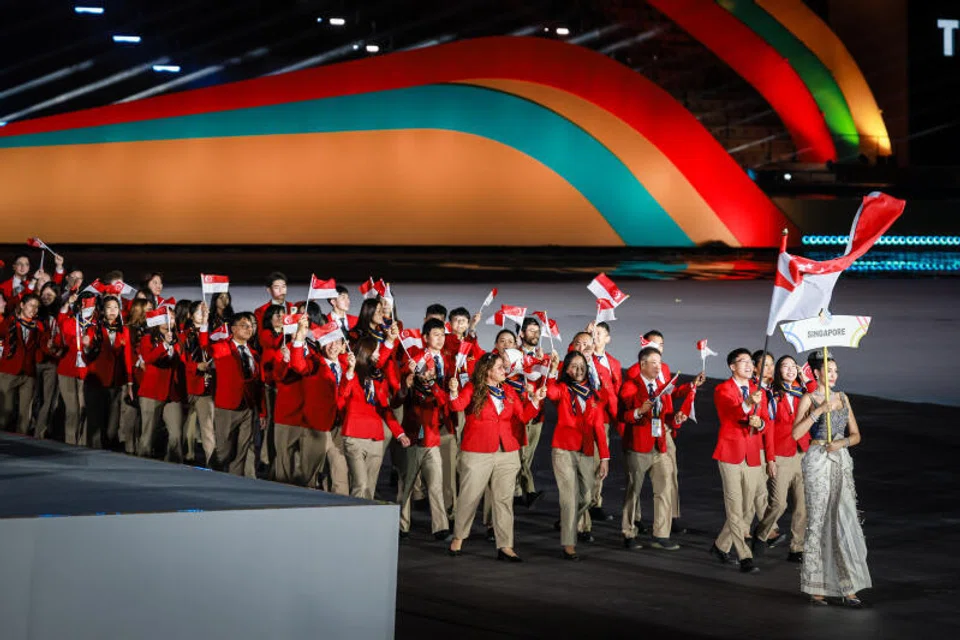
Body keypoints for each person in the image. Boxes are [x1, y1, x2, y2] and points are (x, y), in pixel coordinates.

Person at [447, 352, 545, 562]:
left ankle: (505, 545)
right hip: (477, 451)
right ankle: (458, 537)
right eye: (500, 367)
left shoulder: (508, 390)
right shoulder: (472, 388)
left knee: (503, 500)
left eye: (504, 367)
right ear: (487, 371)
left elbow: (524, 415)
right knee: (469, 497)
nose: (504, 370)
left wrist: (535, 401)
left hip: (507, 452)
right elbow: (457, 406)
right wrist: (454, 392)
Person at [792, 353, 870, 607]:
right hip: (817, 460)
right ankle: (817, 587)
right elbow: (796, 434)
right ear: (816, 374)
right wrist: (819, 411)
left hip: (840, 460)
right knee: (819, 520)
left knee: (844, 519)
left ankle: (849, 587)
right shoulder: (809, 398)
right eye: (828, 370)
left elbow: (856, 435)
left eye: (836, 369)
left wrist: (842, 442)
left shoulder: (843, 398)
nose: (834, 374)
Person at [709, 348, 775, 574]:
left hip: (753, 454)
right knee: (735, 507)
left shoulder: (760, 392)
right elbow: (730, 413)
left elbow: (766, 421)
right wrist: (748, 402)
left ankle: (720, 546)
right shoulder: (722, 389)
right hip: (730, 454)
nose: (749, 365)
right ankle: (745, 556)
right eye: (743, 361)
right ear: (732, 366)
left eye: (750, 362)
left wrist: (761, 424)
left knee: (748, 508)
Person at [619, 347, 687, 551]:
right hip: (638, 447)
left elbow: (666, 414)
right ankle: (628, 532)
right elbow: (626, 414)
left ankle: (661, 534)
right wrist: (640, 410)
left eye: (660, 362)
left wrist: (675, 420)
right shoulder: (631, 386)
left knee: (664, 489)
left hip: (660, 445)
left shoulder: (662, 387)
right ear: (642, 364)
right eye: (654, 362)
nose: (659, 367)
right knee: (634, 491)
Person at [547, 350, 609, 561]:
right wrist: (553, 369)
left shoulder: (593, 395)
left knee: (586, 497)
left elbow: (600, 428)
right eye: (573, 365)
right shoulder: (563, 389)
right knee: (569, 498)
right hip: (563, 448)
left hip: (586, 450)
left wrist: (605, 458)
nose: (578, 369)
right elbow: (550, 392)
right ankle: (569, 543)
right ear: (567, 369)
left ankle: (566, 519)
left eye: (582, 365)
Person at [396, 318, 455, 541]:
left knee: (436, 483)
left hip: (437, 430)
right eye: (436, 335)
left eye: (443, 335)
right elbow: (400, 395)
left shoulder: (448, 361)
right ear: (425, 338)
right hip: (416, 430)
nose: (440, 339)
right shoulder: (415, 360)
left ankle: (440, 527)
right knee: (407, 484)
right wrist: (407, 377)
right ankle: (402, 525)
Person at [339, 336, 410, 499]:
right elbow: (342, 396)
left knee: (369, 488)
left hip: (375, 438)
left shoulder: (379, 379)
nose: (379, 355)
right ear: (366, 352)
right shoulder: (350, 372)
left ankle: (365, 522)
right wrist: (349, 373)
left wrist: (399, 433)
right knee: (360, 485)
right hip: (354, 436)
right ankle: (352, 523)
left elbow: (385, 409)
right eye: (376, 351)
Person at [753, 355, 809, 562]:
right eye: (785, 366)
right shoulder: (772, 395)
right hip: (781, 455)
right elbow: (768, 429)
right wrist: (770, 458)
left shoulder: (803, 392)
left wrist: (806, 380)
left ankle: (797, 548)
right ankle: (761, 534)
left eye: (793, 366)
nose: (790, 370)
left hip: (802, 452)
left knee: (802, 505)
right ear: (778, 371)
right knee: (778, 504)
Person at [210, 312, 263, 476]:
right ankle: (211, 473)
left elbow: (258, 384)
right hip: (227, 407)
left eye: (251, 326)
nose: (249, 328)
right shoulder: (223, 348)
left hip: (248, 408)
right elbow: (210, 348)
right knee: (224, 452)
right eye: (244, 325)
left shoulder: (253, 353)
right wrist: (205, 325)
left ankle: (234, 484)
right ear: (232, 329)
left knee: (241, 452)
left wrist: (261, 412)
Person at [82, 295, 131, 450]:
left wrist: (129, 382)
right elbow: (86, 355)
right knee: (95, 422)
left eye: (115, 308)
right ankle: (93, 454)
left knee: (112, 425)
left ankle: (108, 450)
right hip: (96, 381)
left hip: (115, 382)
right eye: (109, 307)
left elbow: (128, 357)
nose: (112, 311)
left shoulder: (124, 331)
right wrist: (86, 347)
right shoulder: (93, 328)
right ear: (102, 310)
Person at [137, 313, 185, 461]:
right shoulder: (147, 339)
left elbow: (179, 362)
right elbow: (149, 358)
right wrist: (164, 345)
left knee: (176, 434)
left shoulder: (178, 339)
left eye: (171, 318)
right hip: (152, 392)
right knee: (148, 434)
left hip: (171, 393)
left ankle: (174, 465)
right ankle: (142, 467)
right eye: (165, 319)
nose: (168, 322)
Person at [587, 321, 621, 523]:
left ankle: (595, 502)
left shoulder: (614, 363)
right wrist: (585, 334)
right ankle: (582, 504)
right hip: (583, 417)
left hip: (604, 418)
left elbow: (617, 391)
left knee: (601, 460)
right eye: (594, 333)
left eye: (600, 333)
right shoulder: (583, 355)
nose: (596, 336)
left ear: (608, 338)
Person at [0, 293, 45, 433]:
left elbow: (41, 349)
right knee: (5, 412)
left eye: (37, 307)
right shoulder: (9, 322)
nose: (34, 310)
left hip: (28, 373)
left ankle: (22, 443)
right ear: (22, 305)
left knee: (25, 413)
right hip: (9, 371)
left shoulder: (39, 327)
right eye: (31, 305)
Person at [180, 302, 216, 466]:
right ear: (190, 315)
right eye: (199, 312)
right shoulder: (182, 336)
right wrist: (196, 366)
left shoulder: (209, 334)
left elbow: (206, 347)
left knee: (207, 427)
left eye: (204, 312)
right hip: (186, 386)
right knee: (186, 427)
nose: (202, 315)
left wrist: (205, 323)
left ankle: (211, 461)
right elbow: (180, 362)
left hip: (204, 387)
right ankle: (186, 457)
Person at [516, 317, 545, 507]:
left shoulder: (542, 356)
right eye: (531, 331)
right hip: (519, 412)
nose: (535, 335)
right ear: (521, 333)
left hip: (538, 415)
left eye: (537, 331)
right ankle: (529, 490)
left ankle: (517, 491)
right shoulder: (513, 355)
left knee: (528, 456)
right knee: (521, 456)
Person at [33, 282, 64, 439]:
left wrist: (55, 349)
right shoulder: (37, 312)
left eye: (49, 295)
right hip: (36, 361)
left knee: (48, 400)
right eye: (43, 295)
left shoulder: (60, 314)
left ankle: (40, 432)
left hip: (52, 363)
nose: (45, 298)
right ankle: (30, 428)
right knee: (34, 399)